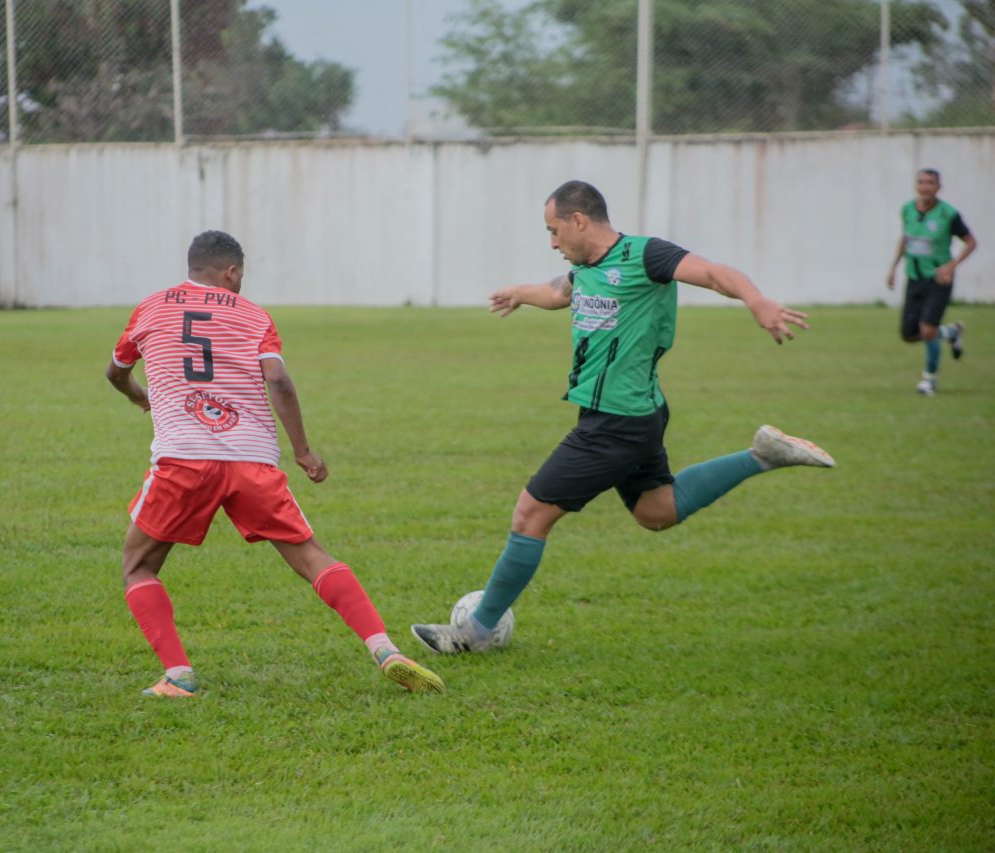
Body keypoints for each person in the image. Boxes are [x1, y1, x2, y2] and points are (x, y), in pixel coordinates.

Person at [411, 180, 835, 654]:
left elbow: (714, 273)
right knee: (657, 511)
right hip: (636, 414)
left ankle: (474, 632)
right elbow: (557, 292)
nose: (552, 242)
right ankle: (762, 455)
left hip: (615, 423)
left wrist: (756, 300)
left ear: (578, 220)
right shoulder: (586, 268)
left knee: (530, 515)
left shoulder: (645, 255)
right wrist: (518, 293)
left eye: (553, 230)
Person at [106, 230, 445, 698]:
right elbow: (279, 381)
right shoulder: (254, 315)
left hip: (183, 459)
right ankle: (385, 649)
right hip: (252, 461)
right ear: (231, 272)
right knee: (312, 556)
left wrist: (139, 396)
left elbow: (115, 372)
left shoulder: (150, 308)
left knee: (138, 566)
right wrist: (303, 451)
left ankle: (178, 675)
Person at [886, 168, 978, 396]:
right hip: (914, 277)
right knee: (909, 334)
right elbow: (906, 239)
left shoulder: (948, 214)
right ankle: (951, 332)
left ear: (938, 187)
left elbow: (971, 242)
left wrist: (951, 266)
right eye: (921, 182)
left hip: (939, 279)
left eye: (930, 182)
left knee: (927, 330)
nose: (925, 186)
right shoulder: (907, 209)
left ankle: (929, 380)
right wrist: (894, 267)